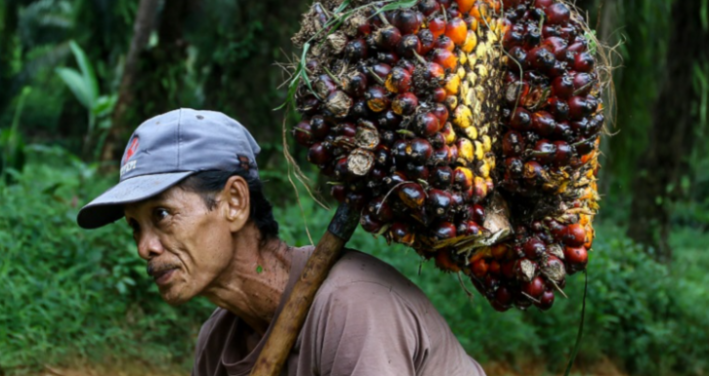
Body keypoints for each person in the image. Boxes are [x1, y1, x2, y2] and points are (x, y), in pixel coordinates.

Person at [77, 108, 485, 376]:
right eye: (135, 226)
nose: (145, 247)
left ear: (234, 203)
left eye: (161, 216)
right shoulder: (217, 343)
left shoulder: (352, 307)